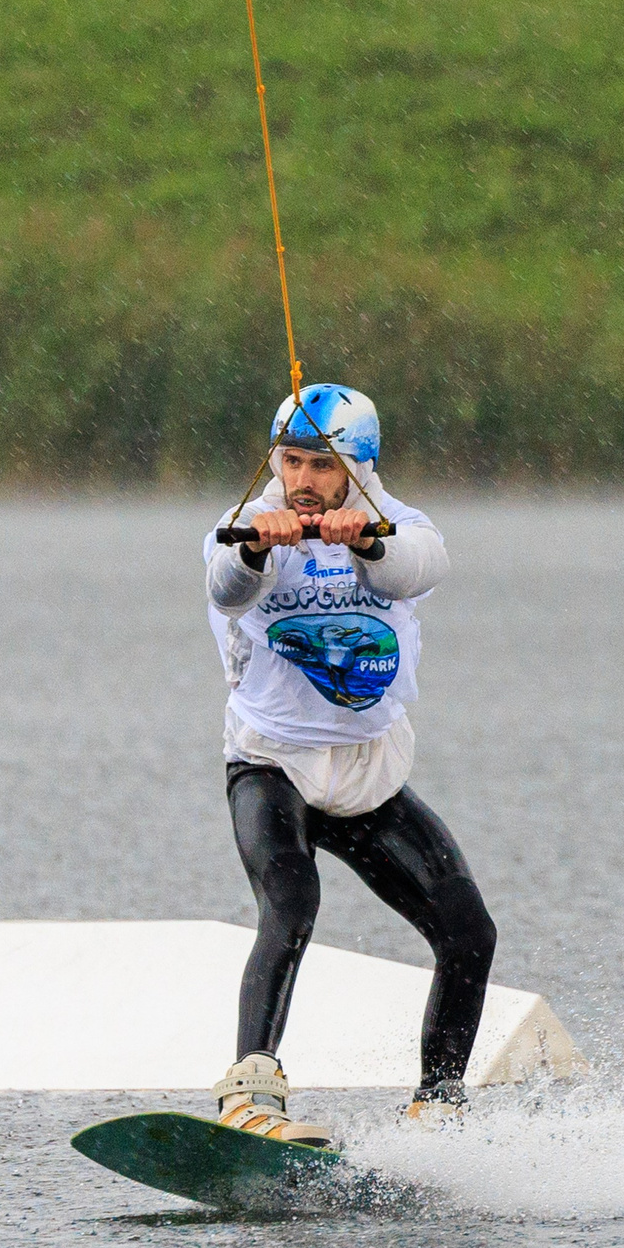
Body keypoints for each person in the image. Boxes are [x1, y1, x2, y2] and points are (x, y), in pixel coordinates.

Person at [200, 384, 496, 1144]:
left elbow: (415, 568)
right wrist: (263, 544)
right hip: (273, 764)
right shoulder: (241, 529)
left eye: (321, 465)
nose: (302, 479)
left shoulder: (403, 527)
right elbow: (226, 585)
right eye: (291, 461)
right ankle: (251, 1095)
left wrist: (362, 538)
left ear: (358, 467)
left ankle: (439, 1109)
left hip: (369, 775)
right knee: (291, 904)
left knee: (469, 932)